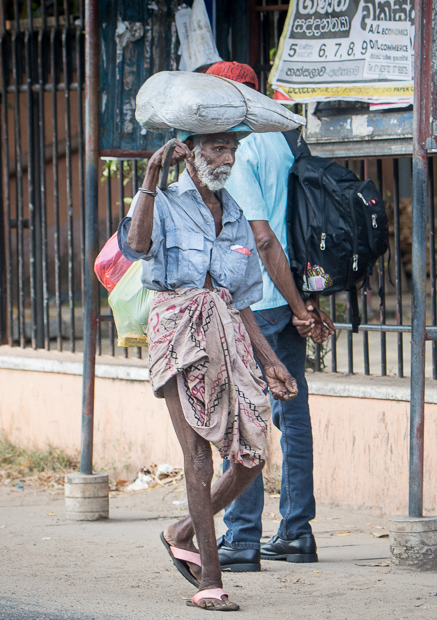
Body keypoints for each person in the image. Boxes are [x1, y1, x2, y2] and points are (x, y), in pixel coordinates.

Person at [118, 130, 298, 611]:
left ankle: (180, 531)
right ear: (192, 154)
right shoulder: (165, 200)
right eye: (218, 149)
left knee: (252, 454)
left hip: (229, 334)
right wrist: (152, 177)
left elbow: (240, 301)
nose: (228, 158)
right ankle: (210, 581)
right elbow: (135, 246)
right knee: (197, 459)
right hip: (177, 331)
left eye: (232, 150)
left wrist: (272, 361)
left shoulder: (235, 212)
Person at [204, 62, 335, 573]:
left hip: (256, 304)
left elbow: (262, 237)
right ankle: (298, 532)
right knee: (292, 416)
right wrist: (301, 302)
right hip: (286, 295)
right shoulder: (281, 138)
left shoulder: (239, 148)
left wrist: (298, 307)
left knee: (244, 417)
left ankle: (241, 540)